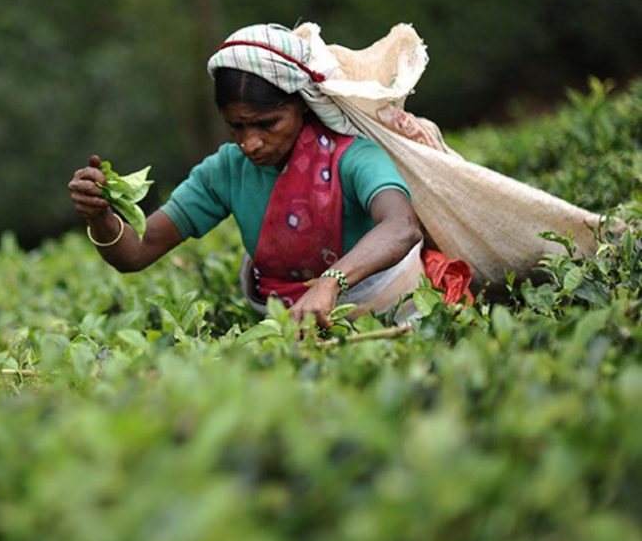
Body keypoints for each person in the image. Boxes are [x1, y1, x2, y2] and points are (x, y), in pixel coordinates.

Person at [68, 23, 429, 328]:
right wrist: (100, 215)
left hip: (388, 312)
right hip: (283, 326)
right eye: (236, 127)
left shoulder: (353, 156)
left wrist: (330, 283)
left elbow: (401, 226)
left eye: (267, 124)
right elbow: (136, 253)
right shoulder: (226, 170)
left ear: (302, 105)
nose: (250, 143)